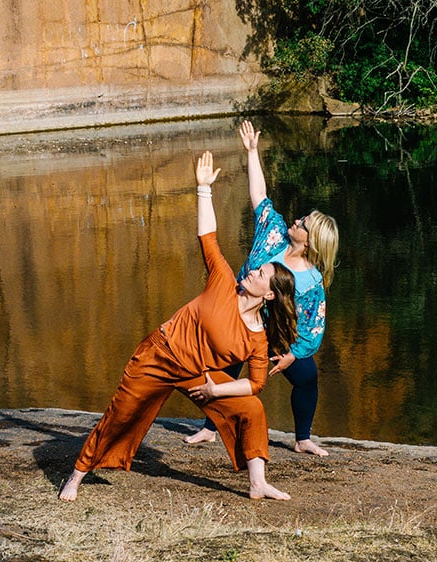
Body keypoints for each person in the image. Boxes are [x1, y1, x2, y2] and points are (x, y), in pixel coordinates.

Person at [59, 151, 298, 502]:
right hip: (159, 353)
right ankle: (77, 475)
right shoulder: (223, 281)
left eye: (262, 274)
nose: (254, 270)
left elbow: (257, 383)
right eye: (258, 268)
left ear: (272, 295)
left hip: (196, 373)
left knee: (251, 408)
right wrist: (203, 190)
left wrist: (216, 391)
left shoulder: (257, 337)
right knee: (120, 414)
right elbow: (208, 238)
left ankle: (257, 482)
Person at [185, 120, 339, 456]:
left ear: (311, 241)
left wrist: (292, 354)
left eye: (304, 224)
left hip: (277, 336)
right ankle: (210, 428)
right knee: (224, 369)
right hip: (240, 315)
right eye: (301, 219)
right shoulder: (274, 234)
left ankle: (302, 439)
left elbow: (313, 325)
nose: (297, 220)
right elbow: (259, 196)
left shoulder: (311, 281)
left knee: (307, 377)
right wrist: (253, 152)